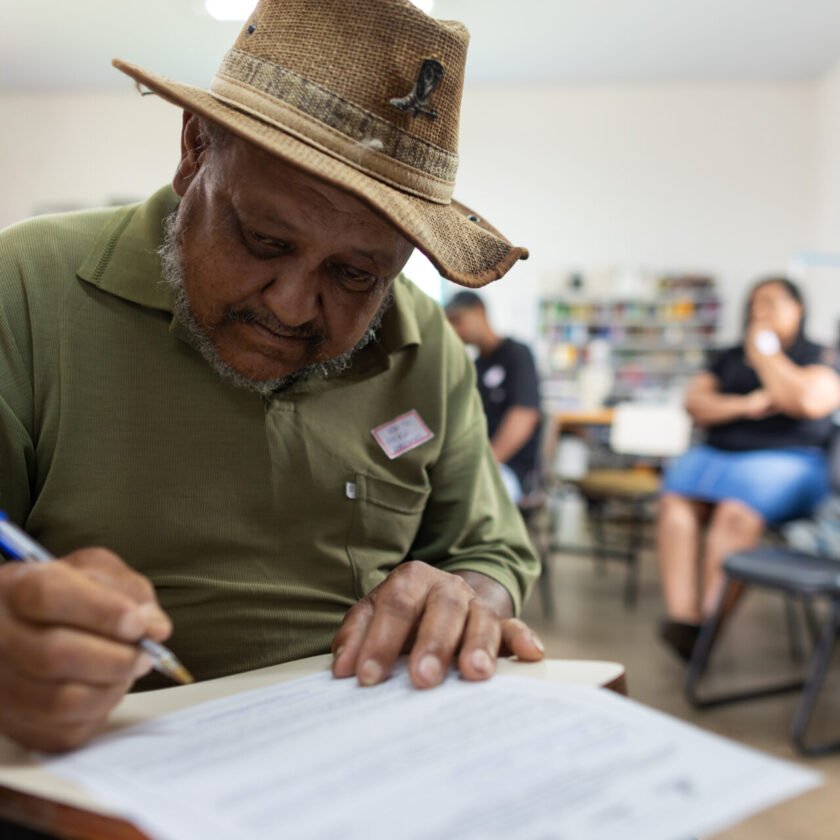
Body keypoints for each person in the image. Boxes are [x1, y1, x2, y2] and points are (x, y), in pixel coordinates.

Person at [0, 0, 545, 752]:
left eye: (356, 274)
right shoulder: (24, 289)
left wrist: (467, 597)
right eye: (262, 239)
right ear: (195, 151)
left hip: (361, 763)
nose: (292, 306)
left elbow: (493, 550)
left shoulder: (427, 345)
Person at [656, 277, 840, 660]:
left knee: (735, 513)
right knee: (676, 506)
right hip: (717, 457)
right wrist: (748, 405)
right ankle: (684, 620)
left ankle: (710, 625)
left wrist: (765, 356)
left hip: (788, 463)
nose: (760, 312)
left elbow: (806, 401)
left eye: (772, 302)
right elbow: (696, 402)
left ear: (798, 309)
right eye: (755, 303)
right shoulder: (728, 355)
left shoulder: (820, 355)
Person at [445, 292, 542, 503]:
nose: (454, 330)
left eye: (457, 320)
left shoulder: (517, 354)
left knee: (470, 498)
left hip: (509, 468)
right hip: (476, 462)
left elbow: (524, 416)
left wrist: (486, 463)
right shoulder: (475, 367)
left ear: (479, 311)